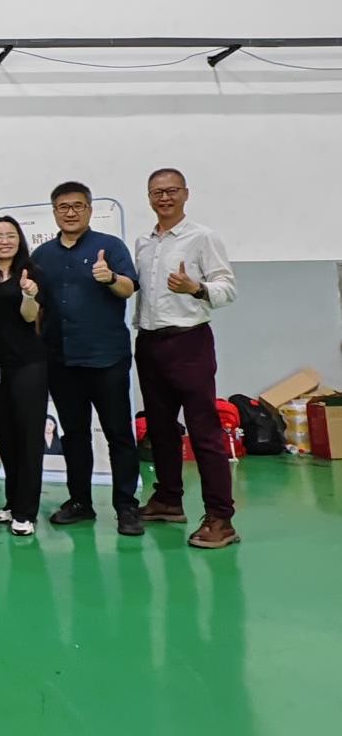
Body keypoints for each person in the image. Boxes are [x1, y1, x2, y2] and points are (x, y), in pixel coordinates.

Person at [133, 168, 239, 548]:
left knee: (203, 430)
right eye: (157, 192)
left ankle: (221, 518)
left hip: (189, 342)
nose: (164, 198)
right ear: (149, 197)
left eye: (171, 191)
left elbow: (228, 289)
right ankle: (168, 498)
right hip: (149, 343)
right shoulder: (143, 243)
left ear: (185, 194)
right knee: (161, 428)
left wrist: (196, 288)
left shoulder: (202, 237)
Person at [31, 181, 143, 536]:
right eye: (63, 207)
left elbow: (128, 288)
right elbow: (37, 307)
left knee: (118, 435)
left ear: (90, 210)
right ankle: (80, 501)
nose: (70, 212)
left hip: (106, 358)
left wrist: (109, 278)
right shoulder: (42, 256)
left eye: (78, 206)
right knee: (74, 435)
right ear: (54, 212)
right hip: (62, 360)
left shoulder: (110, 247)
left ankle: (126, 507)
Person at [0, 215, 48, 537]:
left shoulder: (32, 274)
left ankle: (26, 511)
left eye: (10, 235)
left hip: (28, 364)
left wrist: (29, 294)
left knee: (29, 438)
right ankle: (12, 501)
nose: (4, 241)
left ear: (19, 239)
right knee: (5, 437)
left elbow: (29, 317)